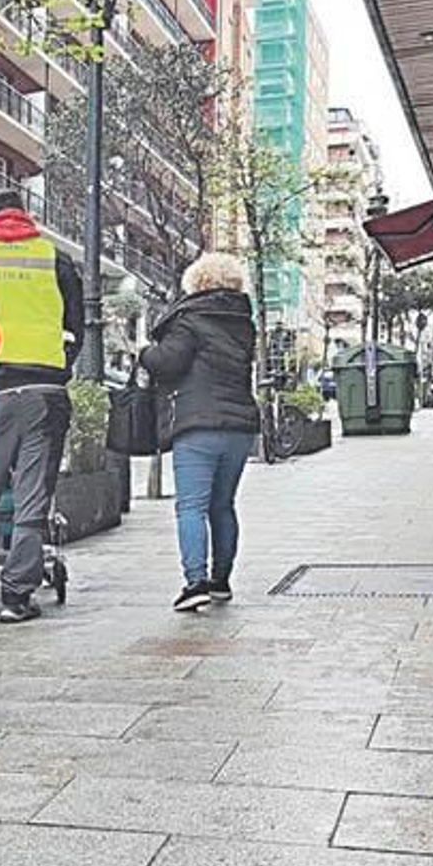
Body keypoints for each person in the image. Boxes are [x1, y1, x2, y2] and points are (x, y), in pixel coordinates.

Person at [0, 189, 84, 624]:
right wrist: (60, 367)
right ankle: (17, 596)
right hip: (43, 393)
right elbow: (76, 328)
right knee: (32, 497)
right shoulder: (55, 259)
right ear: (26, 217)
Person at [140, 252, 260, 613]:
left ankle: (195, 583)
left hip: (198, 426)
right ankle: (221, 581)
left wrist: (145, 353)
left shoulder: (189, 320)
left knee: (191, 506)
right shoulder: (244, 323)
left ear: (196, 283)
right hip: (239, 427)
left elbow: (167, 362)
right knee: (222, 505)